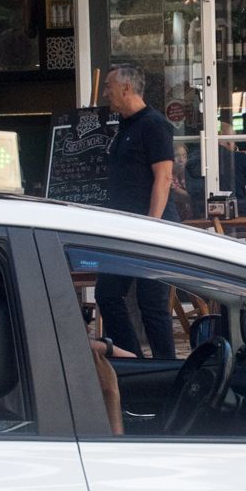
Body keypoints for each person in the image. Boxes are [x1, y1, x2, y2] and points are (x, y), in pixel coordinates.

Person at [96, 64, 179, 359]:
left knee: (151, 301)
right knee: (107, 293)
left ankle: (167, 367)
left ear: (126, 88)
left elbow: (164, 178)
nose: (106, 93)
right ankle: (133, 359)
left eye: (109, 86)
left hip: (148, 228)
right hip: (123, 227)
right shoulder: (125, 127)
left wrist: (151, 228)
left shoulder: (154, 124)